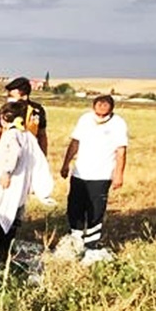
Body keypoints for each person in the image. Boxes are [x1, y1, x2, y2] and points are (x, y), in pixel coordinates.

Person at [0, 101, 54, 265]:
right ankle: (1, 256)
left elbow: (13, 153)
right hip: (19, 187)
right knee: (9, 223)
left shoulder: (12, 134)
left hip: (5, 186)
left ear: (3, 118)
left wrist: (6, 173)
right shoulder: (28, 135)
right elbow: (38, 160)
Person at [59, 94, 128, 265]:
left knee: (96, 209)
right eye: (98, 110)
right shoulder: (85, 119)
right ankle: (75, 238)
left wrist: (118, 174)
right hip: (80, 173)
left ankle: (91, 243)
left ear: (111, 110)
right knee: (74, 206)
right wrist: (66, 163)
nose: (101, 114)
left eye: (105, 111)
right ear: (93, 107)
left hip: (101, 175)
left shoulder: (118, 123)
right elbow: (75, 143)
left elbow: (121, 151)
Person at [0, 76, 48, 168]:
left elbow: (42, 135)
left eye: (11, 96)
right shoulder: (4, 111)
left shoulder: (37, 111)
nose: (9, 98)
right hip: (6, 156)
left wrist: (43, 158)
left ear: (24, 96)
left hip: (29, 158)